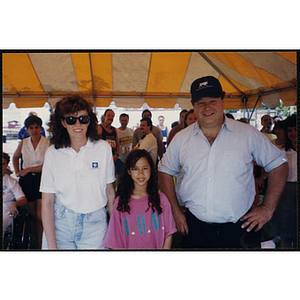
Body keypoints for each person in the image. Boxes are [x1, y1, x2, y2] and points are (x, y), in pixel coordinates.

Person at [158, 76, 289, 249]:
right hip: (195, 228)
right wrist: (175, 211)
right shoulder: (182, 139)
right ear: (193, 106)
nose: (207, 107)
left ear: (222, 101)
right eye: (201, 102)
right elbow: (164, 171)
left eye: (212, 100)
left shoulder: (247, 134)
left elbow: (279, 164)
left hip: (241, 229)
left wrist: (267, 208)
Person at [40, 95, 116, 250]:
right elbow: (47, 201)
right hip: (61, 223)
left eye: (83, 119)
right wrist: (52, 246)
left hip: (95, 225)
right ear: (62, 122)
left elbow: (110, 192)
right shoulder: (52, 153)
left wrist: (115, 230)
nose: (77, 124)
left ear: (90, 121)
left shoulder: (103, 148)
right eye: (70, 120)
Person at [103, 149, 177, 249]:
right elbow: (114, 239)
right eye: (135, 169)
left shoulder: (161, 199)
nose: (141, 173)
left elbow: (169, 233)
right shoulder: (121, 202)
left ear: (151, 169)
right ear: (129, 171)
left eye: (145, 168)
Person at [13, 115, 50, 249]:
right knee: (33, 215)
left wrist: (28, 169)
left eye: (37, 127)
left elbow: (49, 165)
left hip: (42, 179)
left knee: (41, 215)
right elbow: (15, 157)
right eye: (31, 128)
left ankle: (45, 243)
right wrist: (18, 172)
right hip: (27, 181)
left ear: (41, 128)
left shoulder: (48, 143)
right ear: (27, 129)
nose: (34, 130)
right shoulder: (23, 142)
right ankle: (38, 242)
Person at [273, 114, 297, 248]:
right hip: (285, 197)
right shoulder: (281, 153)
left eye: (295, 129)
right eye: (290, 130)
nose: (293, 133)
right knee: (286, 236)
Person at [3, 153, 27, 238]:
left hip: (6, 210)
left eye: (3, 164)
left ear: (6, 165)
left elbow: (23, 200)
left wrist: (15, 203)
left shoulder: (11, 182)